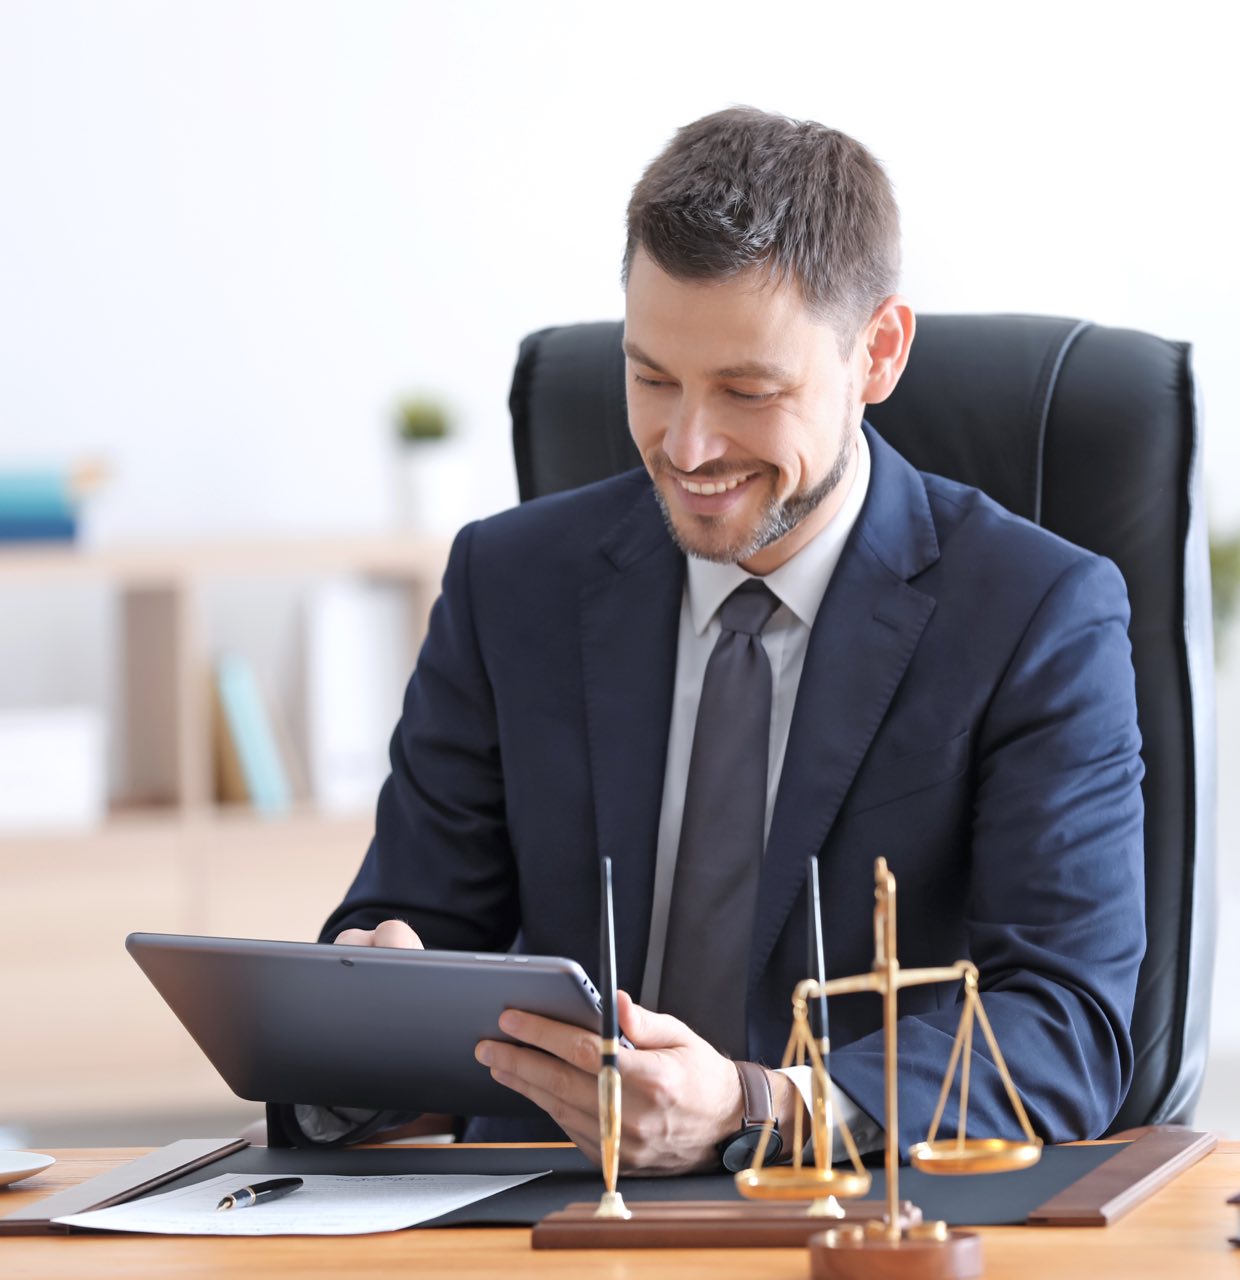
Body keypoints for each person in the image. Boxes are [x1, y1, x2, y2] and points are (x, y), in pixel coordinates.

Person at [268, 107, 1147, 1172]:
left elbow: (1064, 1028)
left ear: (878, 351)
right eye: (651, 378)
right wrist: (368, 1005)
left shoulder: (1035, 613)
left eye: (747, 391)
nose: (686, 445)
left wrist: (756, 1105)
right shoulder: (511, 582)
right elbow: (409, 918)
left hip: (851, 1212)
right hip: (541, 1213)